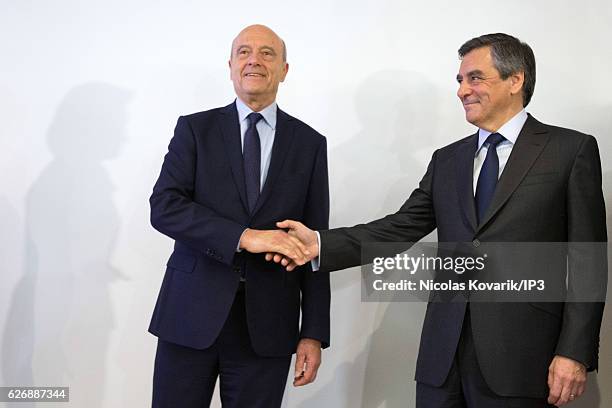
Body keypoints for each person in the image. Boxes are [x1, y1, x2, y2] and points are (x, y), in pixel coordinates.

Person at [272, 33, 606, 407]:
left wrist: (574, 352)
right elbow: (399, 228)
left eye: (475, 78)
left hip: (524, 359)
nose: (463, 90)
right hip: (441, 359)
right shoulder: (447, 160)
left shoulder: (570, 150)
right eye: (460, 81)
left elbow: (587, 262)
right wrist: (318, 243)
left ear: (516, 80)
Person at [148, 24, 331, 408]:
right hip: (189, 316)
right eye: (244, 52)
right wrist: (246, 236)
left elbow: (315, 243)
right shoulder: (196, 129)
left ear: (284, 69)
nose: (254, 60)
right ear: (231, 65)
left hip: (269, 326)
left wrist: (312, 332)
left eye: (267, 53)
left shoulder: (310, 144)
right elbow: (165, 207)